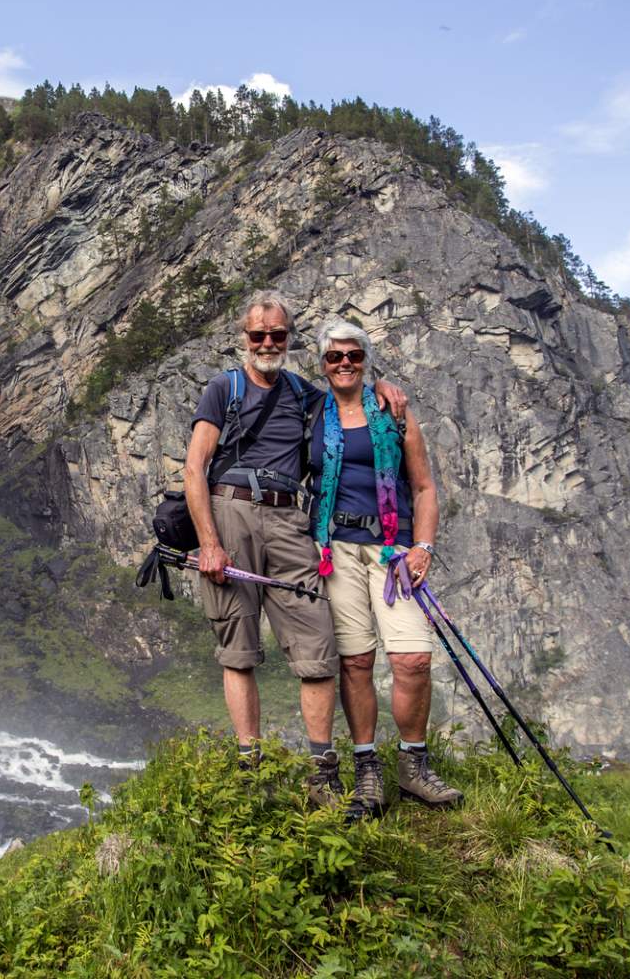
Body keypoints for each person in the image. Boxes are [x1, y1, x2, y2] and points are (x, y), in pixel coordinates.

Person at [181, 292, 405, 808]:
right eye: (258, 335)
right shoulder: (223, 388)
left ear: (289, 339)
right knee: (238, 651)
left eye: (276, 336)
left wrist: (381, 385)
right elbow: (195, 467)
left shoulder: (304, 394)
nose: (266, 343)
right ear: (244, 338)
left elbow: (349, 395)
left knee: (317, 647)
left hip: (289, 518)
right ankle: (249, 766)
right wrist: (209, 543)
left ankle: (321, 770)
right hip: (229, 511)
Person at [307, 319, 463, 817]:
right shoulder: (312, 413)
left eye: (354, 355)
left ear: (366, 359)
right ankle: (367, 769)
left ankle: (414, 765)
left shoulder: (393, 411)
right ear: (323, 364)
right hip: (336, 550)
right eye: (335, 357)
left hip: (393, 551)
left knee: (413, 658)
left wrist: (424, 547)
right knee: (355, 661)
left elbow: (424, 487)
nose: (345, 363)